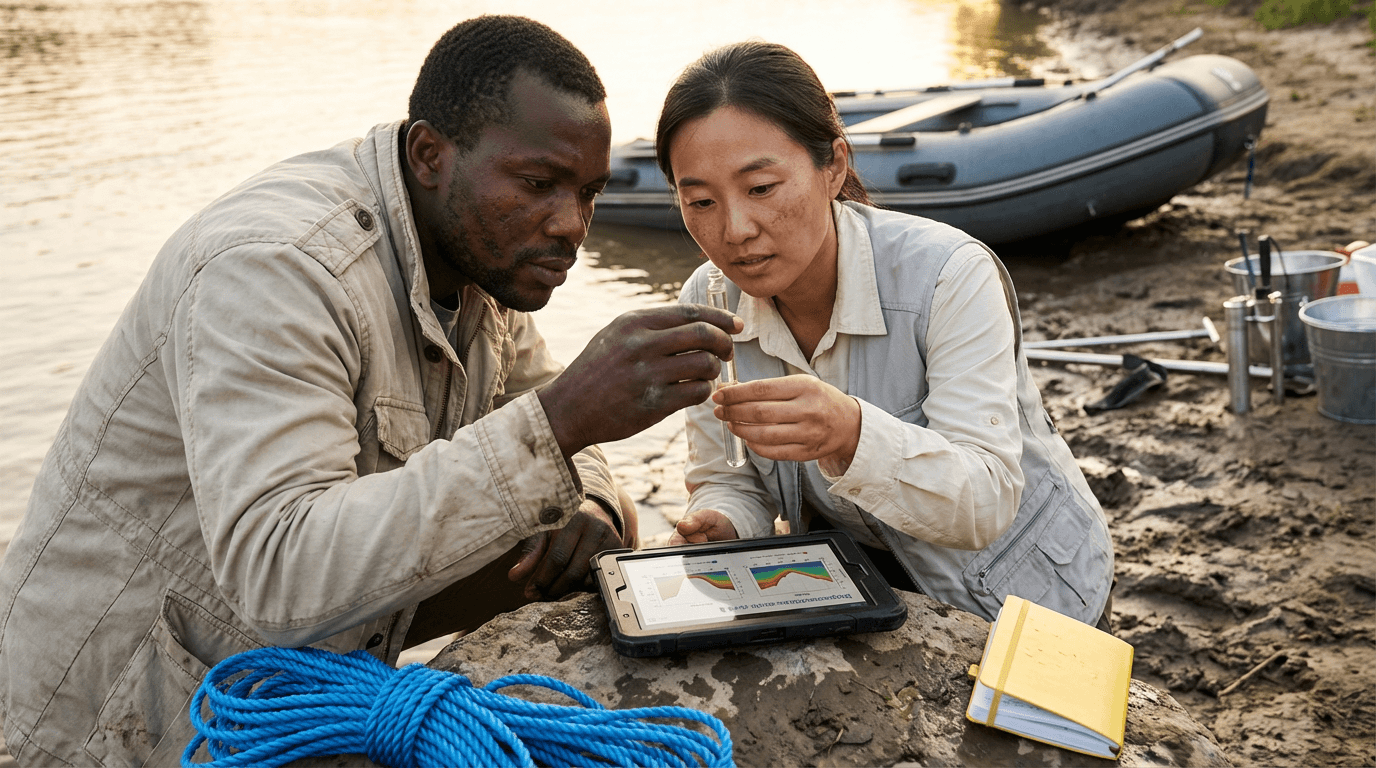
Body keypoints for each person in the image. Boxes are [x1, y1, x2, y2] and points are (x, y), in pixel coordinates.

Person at [0, 16, 739, 766]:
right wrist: (563, 421)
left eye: (588, 192)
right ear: (429, 155)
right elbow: (278, 571)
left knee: (567, 540)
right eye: (539, 183)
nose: (571, 225)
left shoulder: (483, 261)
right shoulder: (275, 267)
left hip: (284, 696)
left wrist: (593, 502)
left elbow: (544, 403)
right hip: (115, 727)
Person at [662, 42, 1114, 630]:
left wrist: (849, 432)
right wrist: (719, 522)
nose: (735, 229)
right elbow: (730, 477)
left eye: (762, 188)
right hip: (862, 587)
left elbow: (987, 499)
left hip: (1020, 593)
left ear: (834, 166)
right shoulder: (707, 301)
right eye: (699, 200)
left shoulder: (948, 275)